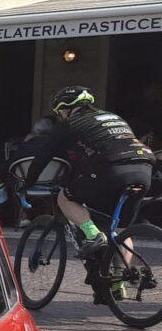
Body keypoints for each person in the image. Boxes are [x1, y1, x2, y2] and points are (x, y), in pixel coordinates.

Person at [27, 87, 155, 266]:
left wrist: (27, 183)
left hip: (113, 168)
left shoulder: (70, 123)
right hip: (144, 167)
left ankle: (93, 235)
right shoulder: (113, 117)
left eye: (60, 112)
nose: (61, 116)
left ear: (65, 109)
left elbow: (43, 156)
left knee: (65, 199)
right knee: (119, 230)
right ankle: (120, 282)